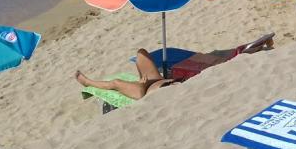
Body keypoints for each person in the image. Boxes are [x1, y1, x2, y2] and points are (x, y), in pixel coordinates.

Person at [75, 40, 273, 100]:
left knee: (116, 83)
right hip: (159, 81)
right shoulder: (182, 83)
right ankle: (141, 78)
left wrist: (143, 85)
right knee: (141, 53)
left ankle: (88, 82)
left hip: (147, 91)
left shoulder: (147, 92)